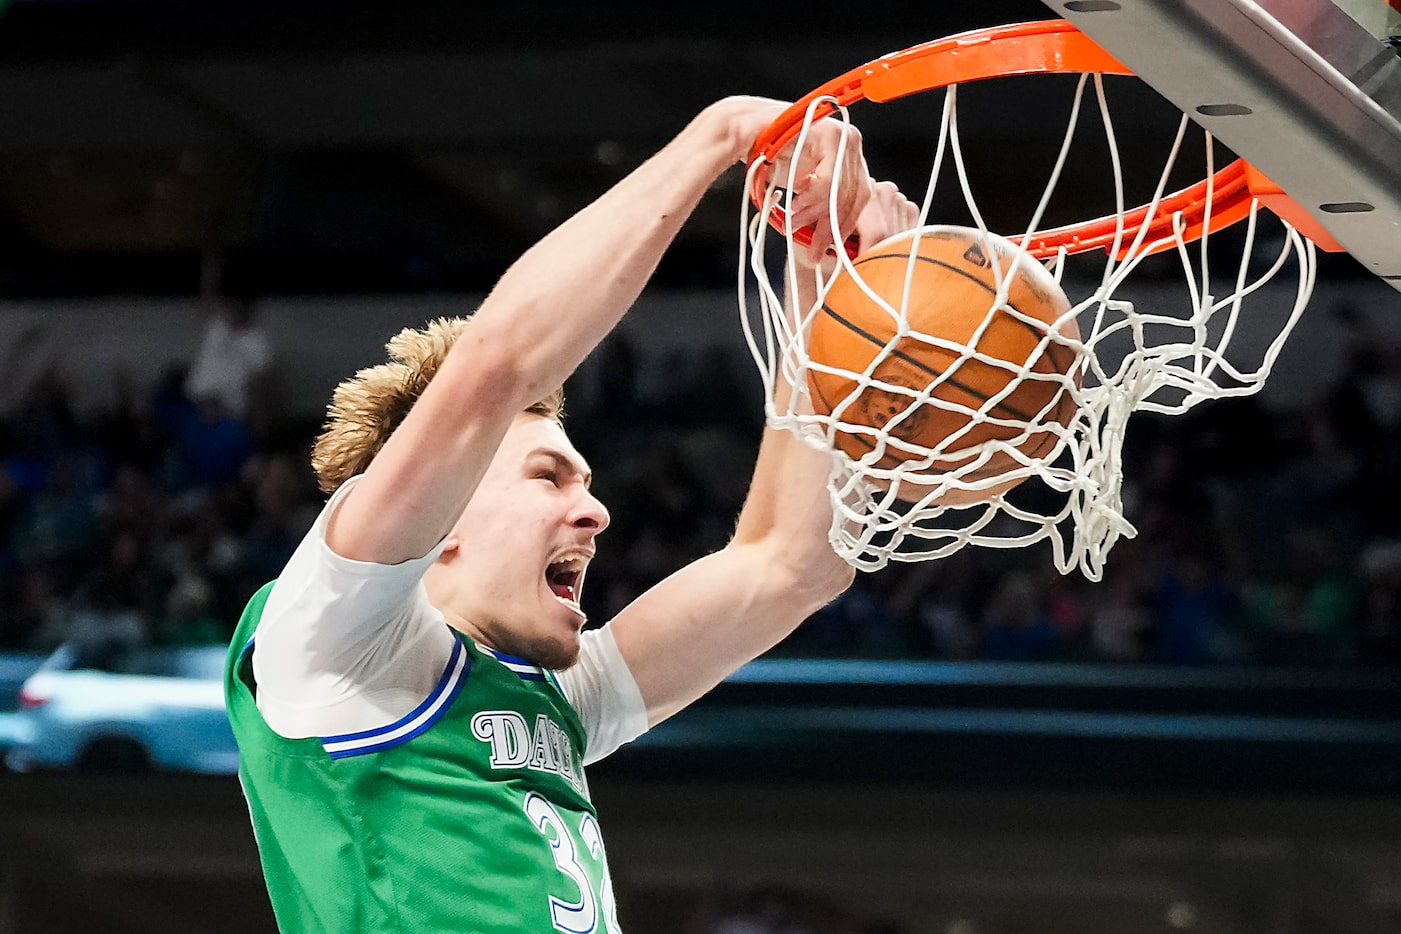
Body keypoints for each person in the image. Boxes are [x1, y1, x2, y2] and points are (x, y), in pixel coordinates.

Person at [223, 95, 917, 933]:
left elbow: (789, 561)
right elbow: (497, 368)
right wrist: (725, 133)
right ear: (441, 516)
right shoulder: (332, 639)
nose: (593, 512)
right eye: (549, 477)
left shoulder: (558, 695)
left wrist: (824, 268)